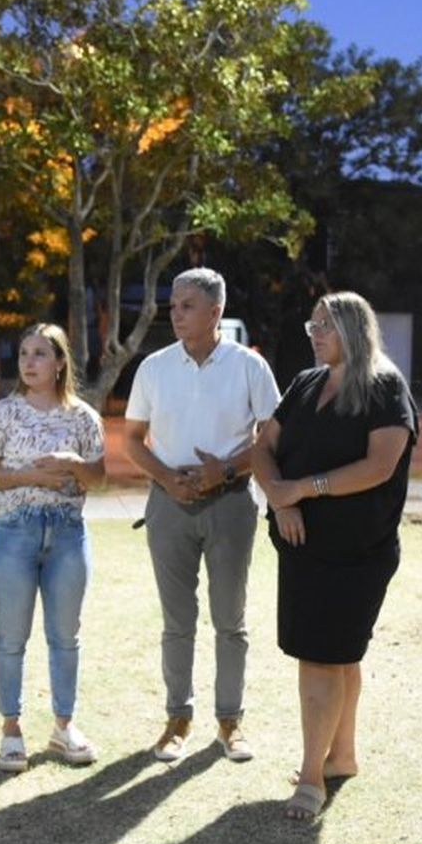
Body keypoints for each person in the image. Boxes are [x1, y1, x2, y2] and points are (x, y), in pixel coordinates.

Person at [250, 291, 417, 821]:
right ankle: (341, 756)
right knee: (336, 654)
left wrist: (303, 488)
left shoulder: (385, 387)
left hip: (357, 551)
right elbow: (262, 447)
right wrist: (279, 497)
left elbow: (379, 466)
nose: (316, 333)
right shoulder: (305, 383)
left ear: (355, 329)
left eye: (326, 325)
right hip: (302, 548)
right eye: (312, 324)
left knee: (323, 655)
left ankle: (310, 777)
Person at [123, 267, 281, 763]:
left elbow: (273, 437)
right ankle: (177, 719)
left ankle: (230, 722)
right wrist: (167, 479)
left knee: (229, 620)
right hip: (168, 505)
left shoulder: (249, 367)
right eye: (173, 305)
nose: (175, 313)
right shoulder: (154, 367)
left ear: (216, 312)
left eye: (187, 305)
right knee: (177, 621)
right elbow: (131, 438)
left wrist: (228, 471)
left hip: (231, 505)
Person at [0, 323, 105, 772]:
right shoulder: (3, 414)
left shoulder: (84, 417)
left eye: (40, 354)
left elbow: (99, 477)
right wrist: (32, 476)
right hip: (15, 531)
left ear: (61, 362)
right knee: (10, 637)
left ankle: (64, 726)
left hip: (69, 532)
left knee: (66, 637)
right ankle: (11, 730)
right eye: (24, 353)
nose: (29, 362)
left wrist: (75, 466)